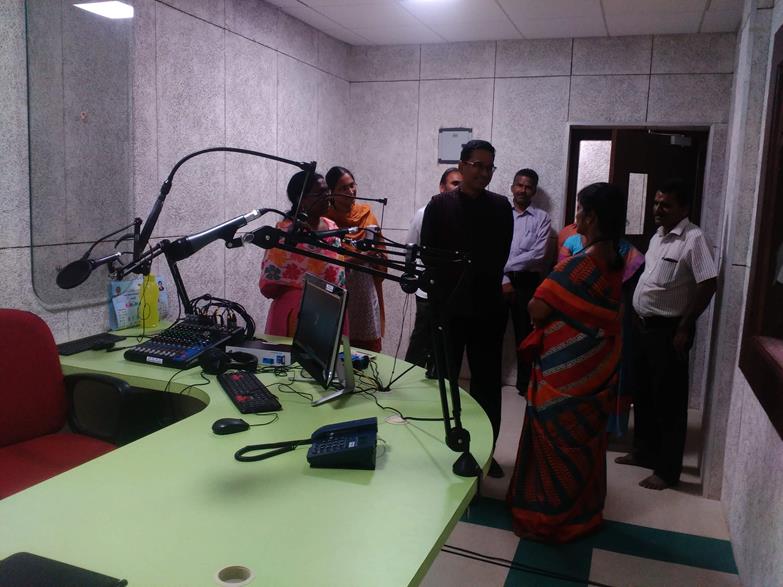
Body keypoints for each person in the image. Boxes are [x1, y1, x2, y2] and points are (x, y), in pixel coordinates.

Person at [507, 182, 626, 543]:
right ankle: (582, 514)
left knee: (554, 441)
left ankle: (549, 517)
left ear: (591, 217)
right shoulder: (618, 262)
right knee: (585, 442)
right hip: (597, 371)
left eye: (579, 210)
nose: (576, 217)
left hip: (564, 374)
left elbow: (537, 307)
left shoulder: (577, 266)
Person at [420, 140, 513, 478]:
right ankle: (444, 448)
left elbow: (500, 255)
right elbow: (428, 254)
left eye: (490, 167)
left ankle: (485, 453)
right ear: (462, 165)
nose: (484, 173)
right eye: (478, 165)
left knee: (487, 386)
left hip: (487, 309)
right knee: (444, 384)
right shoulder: (440, 205)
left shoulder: (501, 207)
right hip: (448, 309)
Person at [617, 179, 717, 490]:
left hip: (669, 332)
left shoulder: (693, 238)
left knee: (669, 402)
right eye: (656, 203)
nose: (658, 209)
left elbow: (708, 283)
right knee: (643, 394)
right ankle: (644, 452)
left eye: (666, 205)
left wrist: (685, 326)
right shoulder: (657, 237)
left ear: (683, 208)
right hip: (642, 327)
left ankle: (667, 471)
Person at [557, 219, 645, 435]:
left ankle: (608, 427)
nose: (578, 217)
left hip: (610, 320)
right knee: (578, 371)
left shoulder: (625, 250)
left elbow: (628, 287)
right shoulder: (571, 243)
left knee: (610, 371)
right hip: (577, 319)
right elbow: (561, 279)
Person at [259, 171, 346, 337]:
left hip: (330, 310)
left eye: (327, 191)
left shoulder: (333, 227)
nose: (327, 196)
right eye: (320, 193)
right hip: (294, 313)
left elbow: (339, 277)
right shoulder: (284, 232)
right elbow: (270, 285)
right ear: (301, 199)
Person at [404, 167, 462, 372]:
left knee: (446, 342)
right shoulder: (424, 213)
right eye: (455, 183)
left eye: (462, 184)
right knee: (422, 338)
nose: (459, 188)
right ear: (442, 187)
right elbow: (410, 248)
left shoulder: (464, 216)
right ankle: (408, 379)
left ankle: (438, 381)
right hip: (426, 289)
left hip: (454, 292)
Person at [325, 166, 386, 352]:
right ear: (331, 193)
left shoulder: (367, 215)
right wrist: (358, 258)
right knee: (337, 346)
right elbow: (326, 260)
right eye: (343, 188)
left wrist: (377, 257)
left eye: (352, 185)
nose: (351, 191)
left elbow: (382, 252)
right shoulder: (326, 220)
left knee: (367, 350)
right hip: (337, 288)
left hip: (365, 289)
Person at [502, 168, 551, 396]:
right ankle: (490, 380)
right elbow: (493, 248)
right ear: (512, 187)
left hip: (527, 283)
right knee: (492, 332)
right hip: (499, 281)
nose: (523, 190)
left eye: (528, 186)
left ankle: (525, 386)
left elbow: (538, 254)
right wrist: (503, 276)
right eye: (519, 185)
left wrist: (503, 267)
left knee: (525, 336)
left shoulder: (542, 218)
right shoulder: (500, 213)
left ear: (534, 191)